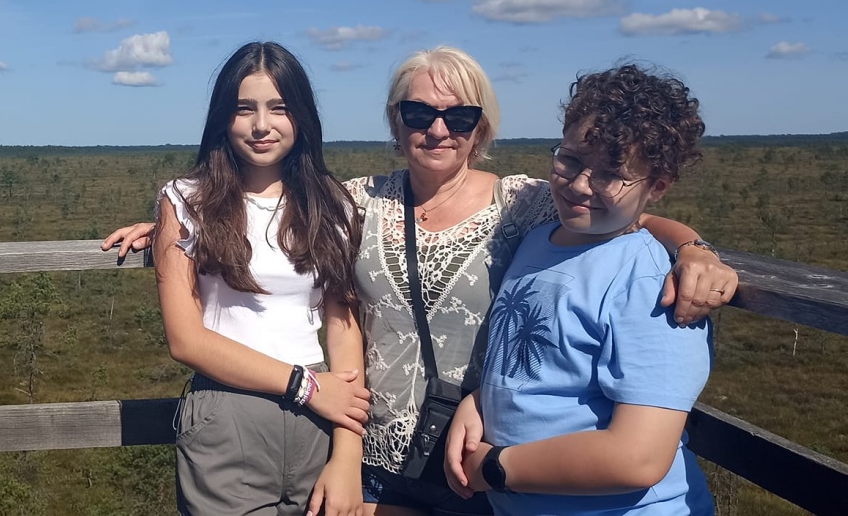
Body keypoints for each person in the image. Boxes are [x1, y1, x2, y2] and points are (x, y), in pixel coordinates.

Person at [104, 47, 738, 516]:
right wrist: (178, 224)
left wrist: (693, 247)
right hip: (376, 458)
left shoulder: (525, 204)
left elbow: (624, 211)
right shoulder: (354, 201)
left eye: (459, 117)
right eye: (418, 112)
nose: (437, 129)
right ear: (395, 120)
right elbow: (265, 206)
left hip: (476, 464)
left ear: (481, 127)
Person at [443, 64, 715, 515]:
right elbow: (540, 367)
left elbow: (638, 458)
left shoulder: (651, 284)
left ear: (658, 186)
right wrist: (481, 402)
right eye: (569, 159)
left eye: (610, 174)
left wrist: (497, 468)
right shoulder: (538, 241)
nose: (580, 184)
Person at [154, 41, 371, 516]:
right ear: (222, 118)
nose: (260, 125)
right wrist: (305, 386)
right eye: (243, 109)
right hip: (228, 412)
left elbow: (343, 325)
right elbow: (185, 340)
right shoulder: (185, 201)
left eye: (279, 107)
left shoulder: (331, 204)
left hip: (320, 416)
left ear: (302, 116)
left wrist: (348, 453)